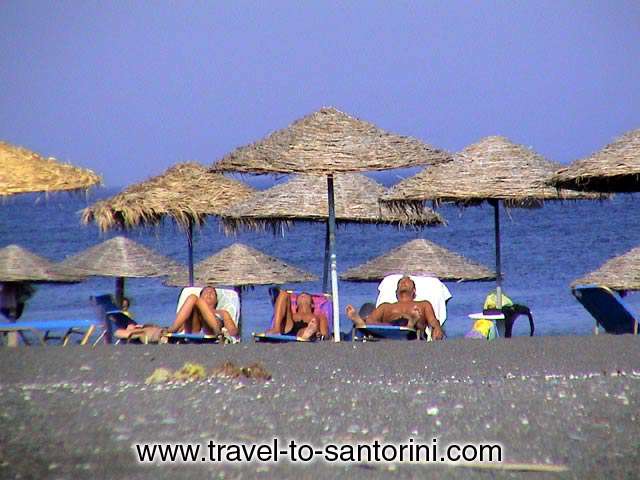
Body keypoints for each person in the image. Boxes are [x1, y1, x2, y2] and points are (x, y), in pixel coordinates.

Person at [345, 276, 445, 340]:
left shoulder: (423, 304)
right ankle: (359, 321)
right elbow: (372, 320)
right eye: (400, 282)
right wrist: (365, 321)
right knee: (369, 322)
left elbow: (433, 321)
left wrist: (437, 328)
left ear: (414, 290)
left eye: (407, 282)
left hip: (414, 334)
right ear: (396, 291)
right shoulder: (386, 306)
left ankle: (411, 323)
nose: (403, 282)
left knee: (408, 322)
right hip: (389, 331)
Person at [166, 286, 238, 337]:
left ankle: (217, 331)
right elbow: (181, 327)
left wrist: (229, 334)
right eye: (206, 292)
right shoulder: (192, 310)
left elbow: (232, 330)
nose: (209, 294)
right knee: (192, 297)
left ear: (216, 301)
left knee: (193, 298)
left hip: (210, 331)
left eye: (212, 293)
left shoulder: (222, 312)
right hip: (194, 331)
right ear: (200, 297)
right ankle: (171, 330)